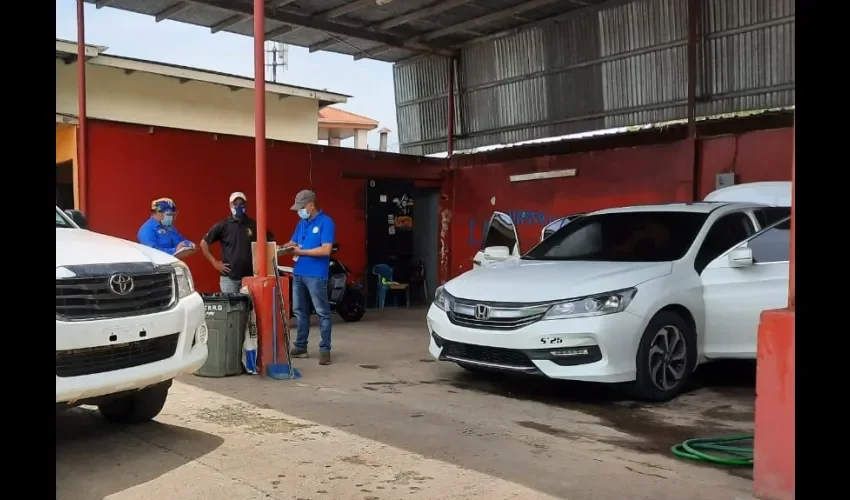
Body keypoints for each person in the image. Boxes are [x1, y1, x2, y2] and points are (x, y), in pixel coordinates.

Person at [282, 190, 336, 366]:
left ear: (311, 205)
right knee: (299, 311)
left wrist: (301, 252)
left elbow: (326, 250)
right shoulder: (301, 223)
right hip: (299, 273)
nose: (300, 211)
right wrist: (282, 247)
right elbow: (294, 242)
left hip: (316, 275)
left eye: (301, 207)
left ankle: (325, 349)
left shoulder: (326, 222)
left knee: (322, 312)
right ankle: (301, 346)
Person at [200, 192, 274, 294]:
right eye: (235, 204)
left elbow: (270, 241)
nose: (238, 206)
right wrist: (215, 263)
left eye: (241, 203)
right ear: (230, 205)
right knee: (231, 309)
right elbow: (203, 243)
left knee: (249, 308)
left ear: (246, 204)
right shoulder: (223, 225)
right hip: (229, 279)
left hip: (250, 278)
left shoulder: (254, 225)